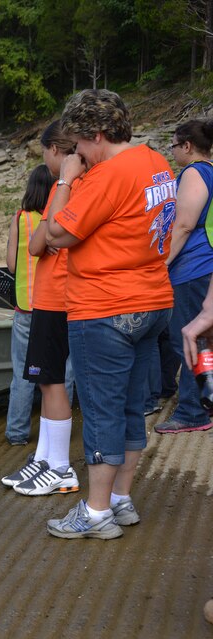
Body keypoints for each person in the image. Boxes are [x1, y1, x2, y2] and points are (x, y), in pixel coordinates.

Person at [40, 89, 175, 539]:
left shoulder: (106, 175)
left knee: (101, 411)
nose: (76, 152)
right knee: (132, 407)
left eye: (78, 142)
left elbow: (57, 234)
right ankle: (120, 499)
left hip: (105, 307)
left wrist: (66, 182)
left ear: (97, 135)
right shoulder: (157, 163)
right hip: (153, 300)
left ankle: (95, 513)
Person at [1, 122, 78, 496]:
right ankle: (44, 459)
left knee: (54, 381)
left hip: (56, 299)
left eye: (45, 151)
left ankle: (60, 467)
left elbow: (36, 245)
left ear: (54, 150)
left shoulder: (66, 188)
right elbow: (38, 242)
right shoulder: (59, 192)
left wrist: (45, 232)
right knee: (48, 381)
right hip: (45, 301)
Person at [152, 119, 213, 433]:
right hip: (204, 268)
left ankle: (192, 412)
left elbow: (185, 224)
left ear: (187, 146)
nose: (172, 151)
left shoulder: (193, 173)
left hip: (193, 268)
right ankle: (205, 401)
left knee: (186, 339)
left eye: (174, 146)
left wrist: (161, 263)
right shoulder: (211, 171)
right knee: (203, 340)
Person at [3, 164, 52, 446]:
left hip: (26, 306)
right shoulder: (59, 218)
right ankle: (54, 431)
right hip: (57, 307)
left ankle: (17, 434)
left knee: (23, 373)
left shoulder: (20, 219)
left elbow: (11, 264)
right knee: (61, 374)